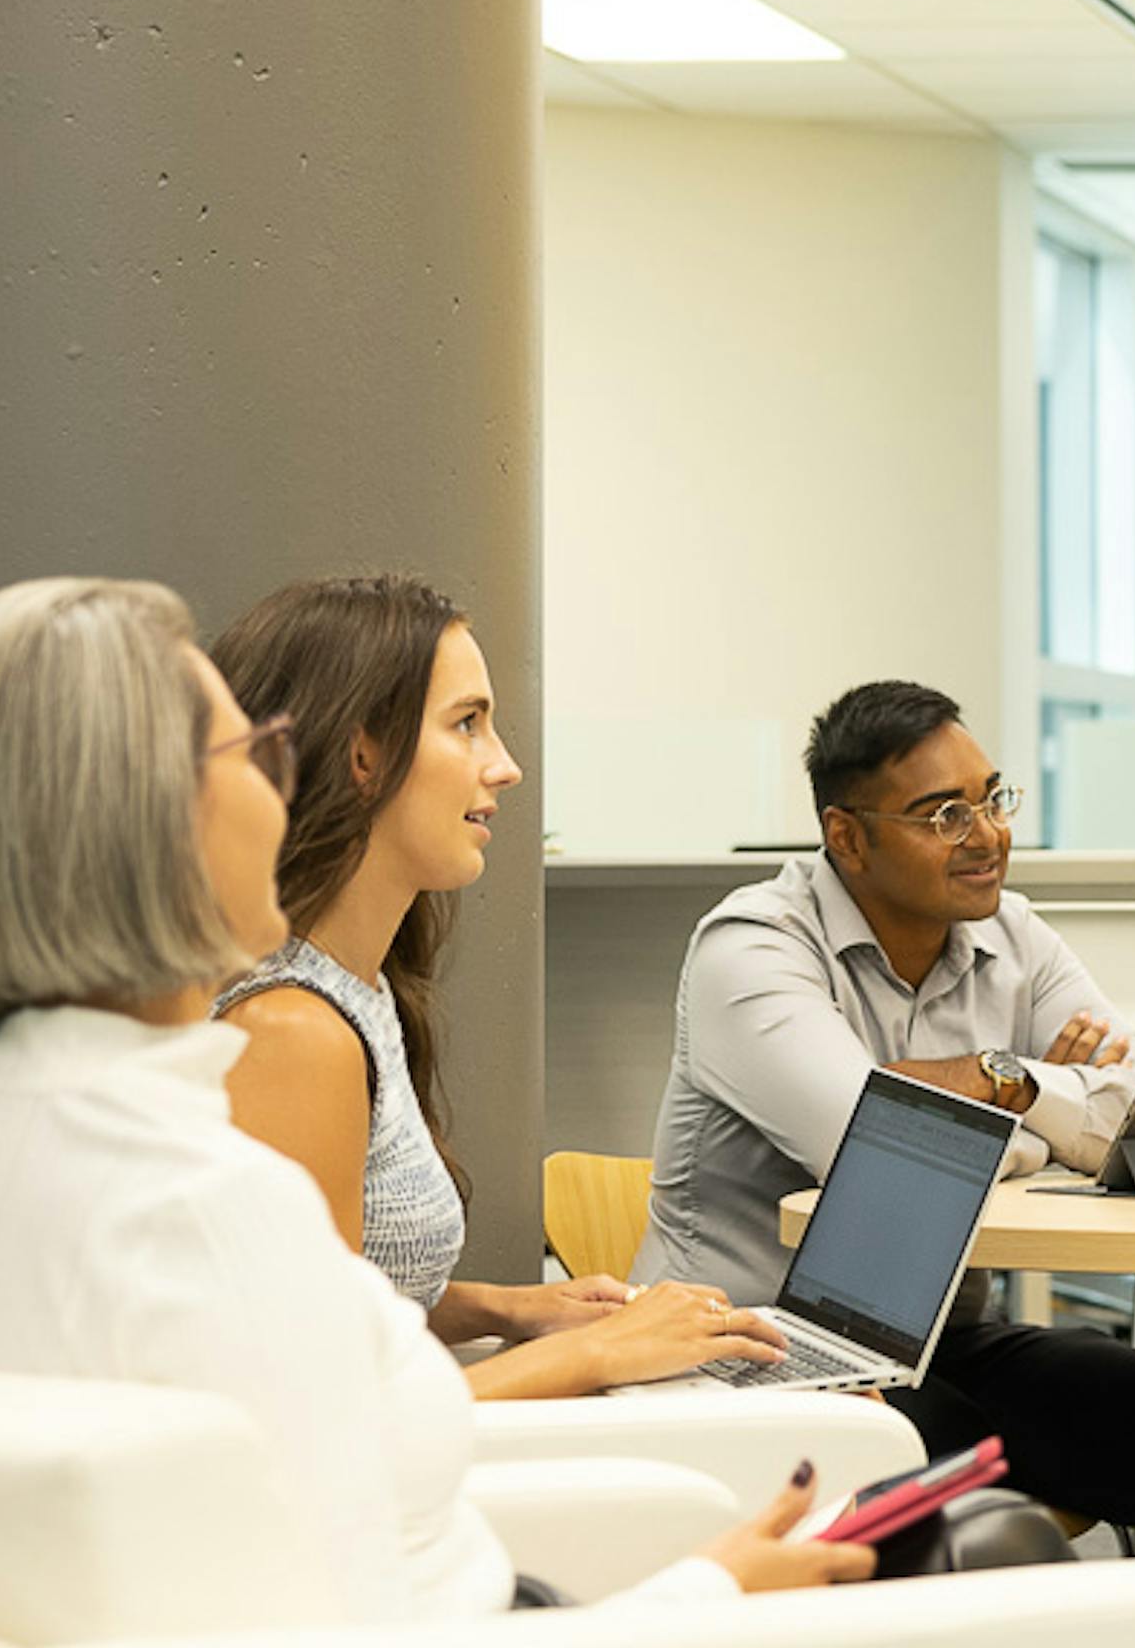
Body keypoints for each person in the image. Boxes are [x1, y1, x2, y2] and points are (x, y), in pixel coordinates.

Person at [0, 577, 868, 1618]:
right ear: (142, 824)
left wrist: (509, 1313)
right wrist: (710, 1588)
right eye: (253, 755)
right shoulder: (205, 1199)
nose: (281, 791)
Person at [635, 678, 1135, 1562]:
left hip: (944, 1340)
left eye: (992, 799)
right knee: (976, 1501)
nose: (990, 834)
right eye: (944, 814)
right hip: (763, 1349)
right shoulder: (750, 948)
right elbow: (876, 1147)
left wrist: (1010, 1085)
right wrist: (1044, 1114)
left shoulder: (1012, 936)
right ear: (848, 836)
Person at [209, 573, 799, 1399]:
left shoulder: (354, 992)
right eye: (468, 724)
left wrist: (511, 1308)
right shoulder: (292, 1032)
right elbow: (323, 1409)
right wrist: (602, 1350)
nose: (506, 766)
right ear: (363, 754)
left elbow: (345, 1293)